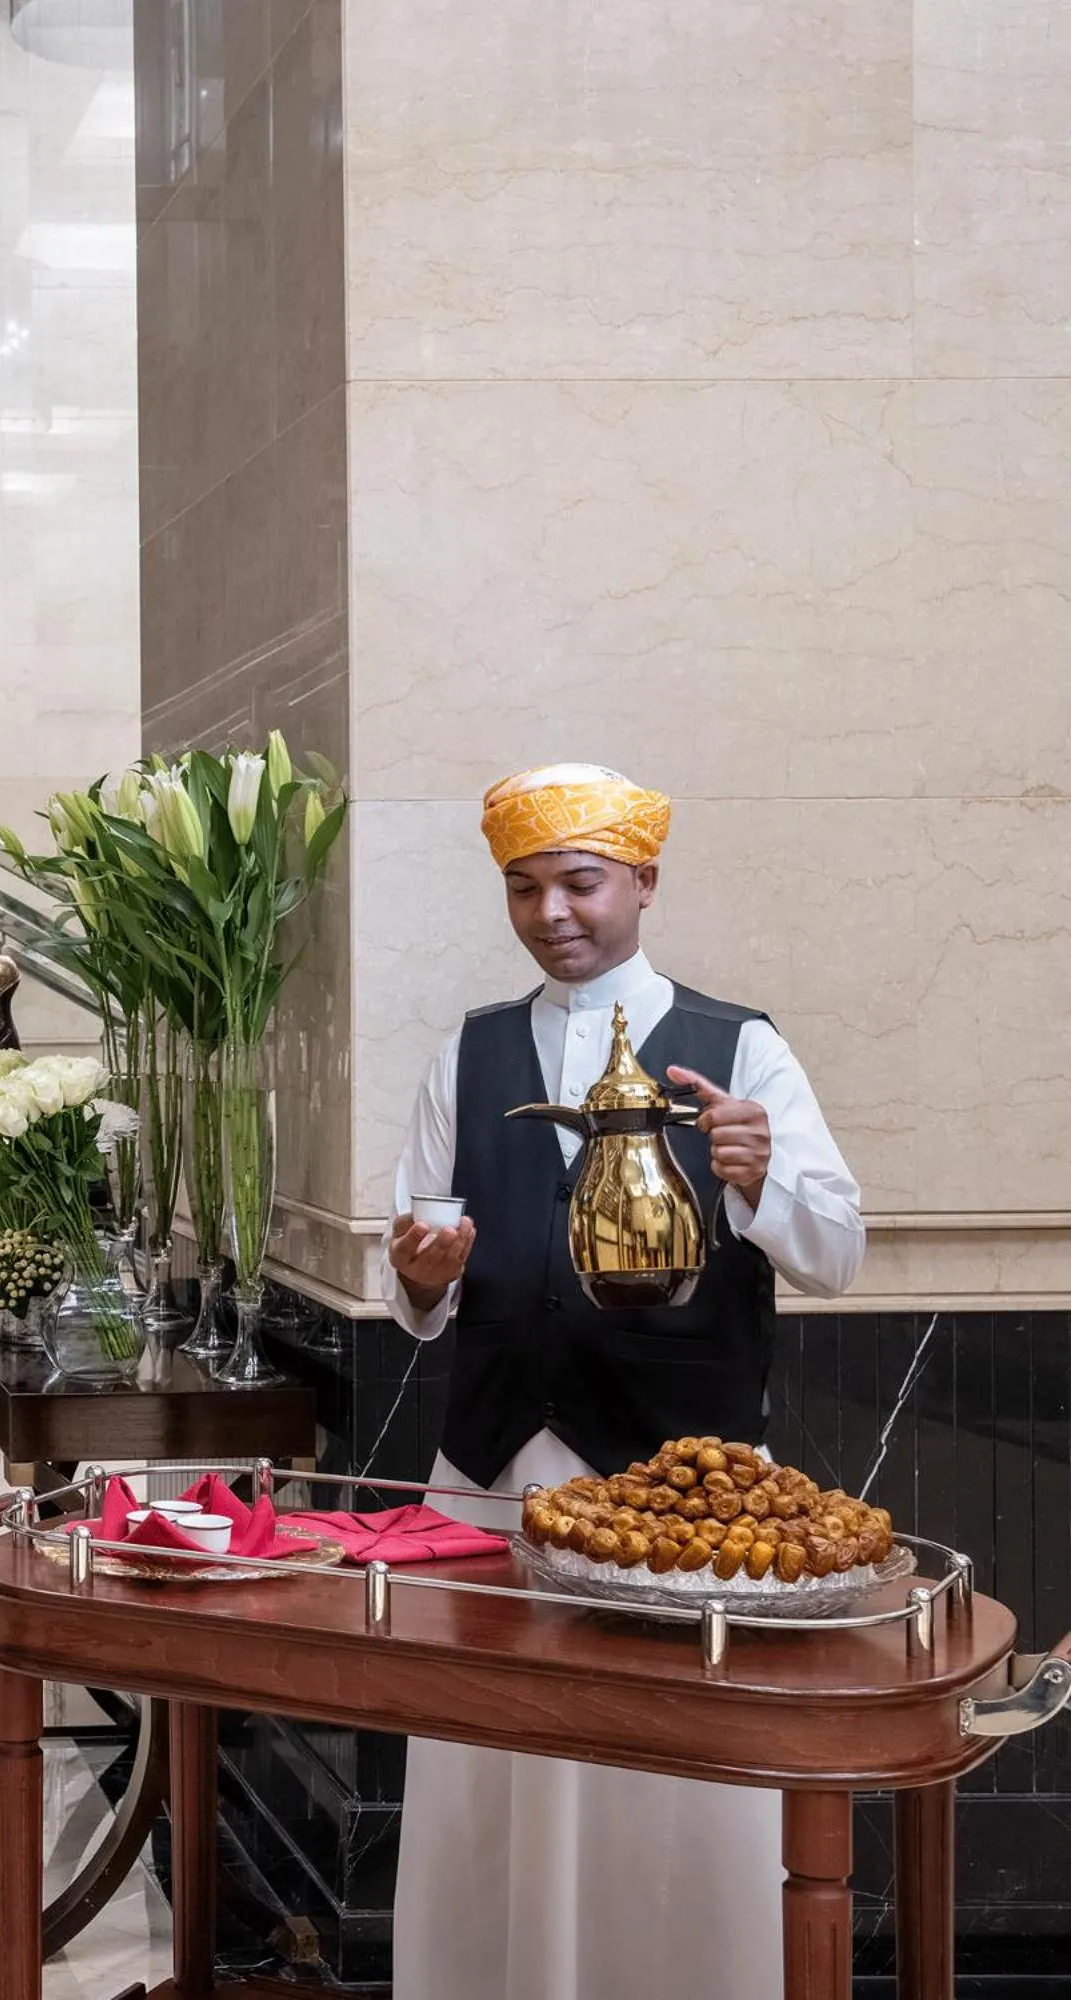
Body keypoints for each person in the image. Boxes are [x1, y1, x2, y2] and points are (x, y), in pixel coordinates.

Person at [387, 763, 865, 2000]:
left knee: (672, 1790)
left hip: (680, 1487)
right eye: (525, 886)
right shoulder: (469, 1048)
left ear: (643, 882)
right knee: (486, 1771)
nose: (553, 911)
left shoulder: (737, 1046)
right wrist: (422, 1274)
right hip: (490, 1479)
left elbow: (834, 1254)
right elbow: (418, 1262)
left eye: (580, 881)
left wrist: (754, 1175)